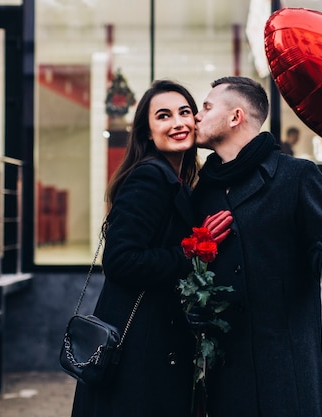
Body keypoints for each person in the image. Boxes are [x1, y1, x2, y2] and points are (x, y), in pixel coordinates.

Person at [191, 76, 322, 417]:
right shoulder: (201, 190)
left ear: (235, 116)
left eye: (207, 107)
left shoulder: (295, 176)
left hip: (288, 366)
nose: (196, 116)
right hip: (228, 366)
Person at [70, 79, 229, 417]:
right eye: (164, 116)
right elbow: (120, 261)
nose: (178, 123)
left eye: (185, 112)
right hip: (137, 349)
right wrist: (192, 253)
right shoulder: (149, 179)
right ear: (147, 133)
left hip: (151, 344)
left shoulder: (177, 181)